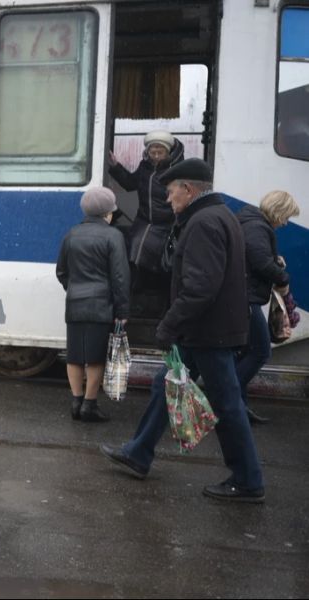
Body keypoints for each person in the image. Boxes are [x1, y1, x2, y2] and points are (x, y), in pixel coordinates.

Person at [100, 158, 265, 503]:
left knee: (228, 405)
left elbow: (200, 287)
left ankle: (248, 480)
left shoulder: (204, 223)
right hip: (204, 329)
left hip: (207, 332)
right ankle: (139, 452)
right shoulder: (217, 216)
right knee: (166, 384)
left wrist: (169, 325)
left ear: (188, 190)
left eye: (171, 191)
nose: (167, 199)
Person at [56, 187, 130, 422]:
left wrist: (75, 289)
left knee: (75, 355)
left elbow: (61, 272)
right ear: (108, 213)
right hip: (101, 306)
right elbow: (120, 277)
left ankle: (75, 402)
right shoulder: (114, 236)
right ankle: (89, 404)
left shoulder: (72, 234)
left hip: (75, 304)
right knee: (96, 357)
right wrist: (122, 310)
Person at [235, 191, 300, 425]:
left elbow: (257, 255)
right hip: (246, 300)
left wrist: (275, 258)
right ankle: (227, 397)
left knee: (242, 353)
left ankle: (238, 408)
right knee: (261, 350)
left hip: (243, 298)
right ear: (278, 211)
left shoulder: (252, 223)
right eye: (286, 217)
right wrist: (283, 278)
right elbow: (259, 261)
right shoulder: (257, 227)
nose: (285, 223)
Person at [108, 130, 184, 285]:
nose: (156, 156)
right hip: (144, 222)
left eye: (160, 152)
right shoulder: (145, 167)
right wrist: (116, 166)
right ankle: (137, 296)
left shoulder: (177, 170)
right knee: (134, 256)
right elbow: (130, 183)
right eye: (152, 152)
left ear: (168, 152)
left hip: (168, 224)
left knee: (166, 262)